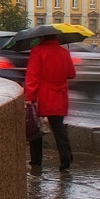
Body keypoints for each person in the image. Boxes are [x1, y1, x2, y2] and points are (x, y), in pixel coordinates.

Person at [24, 34, 76, 170]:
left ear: (43, 38)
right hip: (60, 95)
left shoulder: (38, 51)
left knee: (36, 128)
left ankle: (36, 161)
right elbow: (71, 73)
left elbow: (32, 76)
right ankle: (66, 159)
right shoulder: (64, 52)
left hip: (42, 96)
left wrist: (29, 97)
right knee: (59, 129)